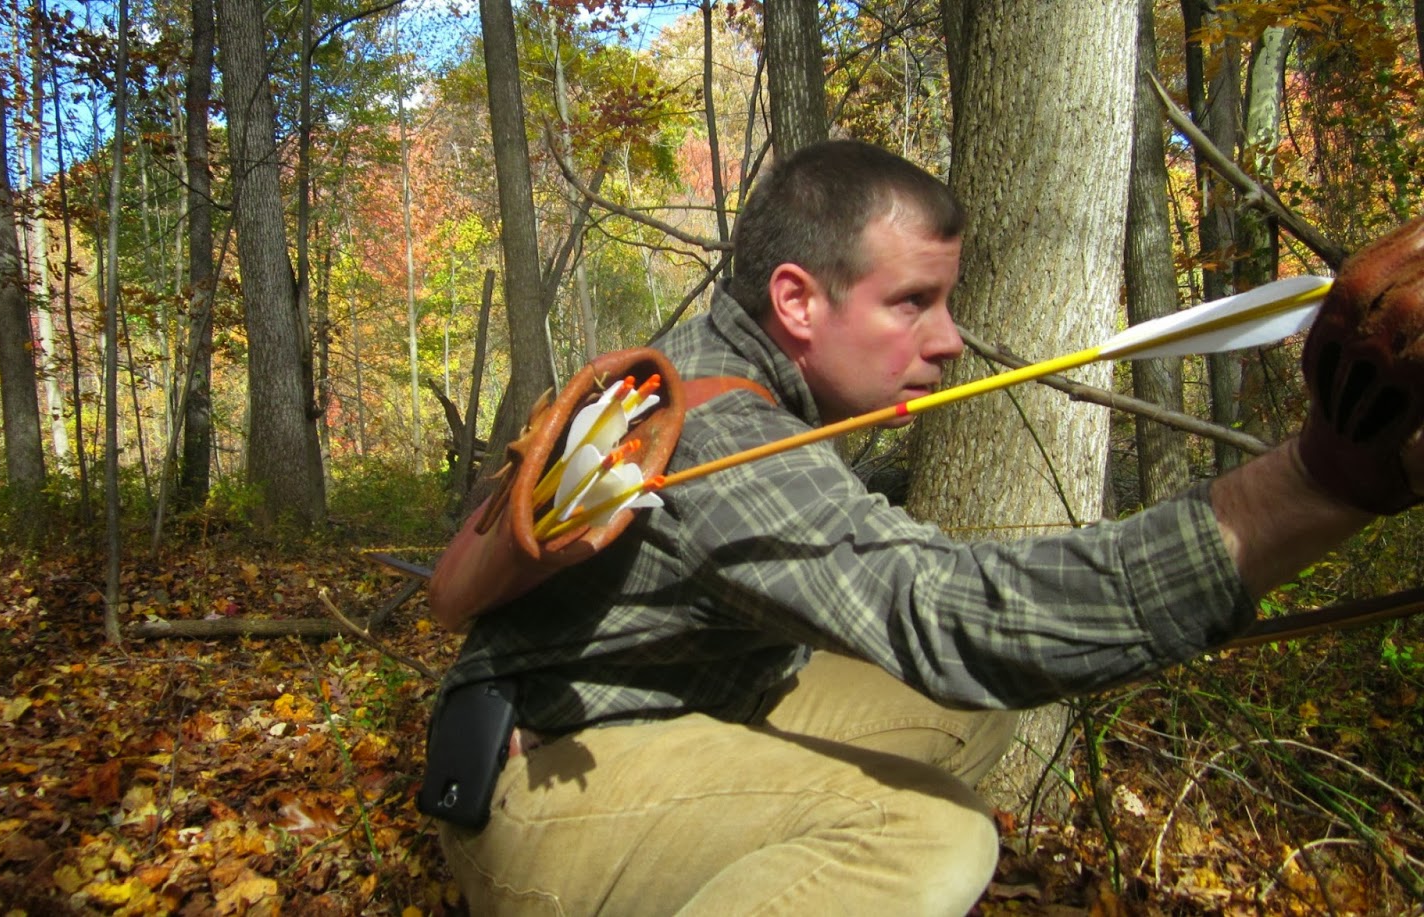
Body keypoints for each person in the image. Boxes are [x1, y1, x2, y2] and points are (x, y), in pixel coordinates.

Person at [426, 139, 1424, 915]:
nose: (946, 340)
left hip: (658, 712)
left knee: (962, 708)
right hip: (543, 789)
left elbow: (899, 576)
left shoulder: (737, 383)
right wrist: (1310, 481)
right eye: (912, 302)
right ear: (797, 300)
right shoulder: (723, 428)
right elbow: (945, 611)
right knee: (926, 837)